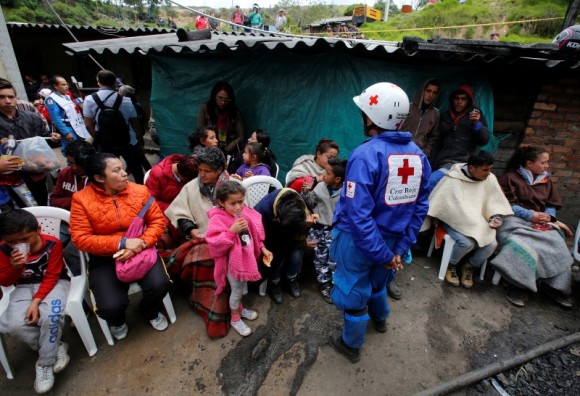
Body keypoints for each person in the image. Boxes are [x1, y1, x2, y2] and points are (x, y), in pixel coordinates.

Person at [328, 82, 430, 363]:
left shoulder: (365, 155)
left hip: (360, 243)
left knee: (353, 288)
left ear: (372, 117)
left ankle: (351, 344)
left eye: (364, 111)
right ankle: (381, 320)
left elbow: (358, 216)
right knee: (378, 283)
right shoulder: (419, 157)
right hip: (394, 241)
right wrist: (398, 250)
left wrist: (383, 254)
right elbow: (420, 208)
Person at [70, 153, 170, 340]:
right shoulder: (81, 200)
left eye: (123, 168)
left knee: (159, 284)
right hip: (106, 257)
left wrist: (138, 245)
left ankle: (149, 311)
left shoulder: (139, 191)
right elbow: (81, 239)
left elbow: (158, 221)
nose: (125, 174)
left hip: (141, 249)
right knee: (110, 305)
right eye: (117, 170)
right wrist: (121, 243)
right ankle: (117, 321)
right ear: (99, 178)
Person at [491, 145, 574, 308]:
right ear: (529, 163)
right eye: (543, 163)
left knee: (558, 243)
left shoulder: (546, 181)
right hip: (513, 221)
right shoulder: (509, 178)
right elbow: (506, 204)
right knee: (521, 245)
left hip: (540, 221)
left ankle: (555, 287)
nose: (547, 166)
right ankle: (515, 284)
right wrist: (530, 215)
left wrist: (549, 216)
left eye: (547, 163)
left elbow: (551, 204)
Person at [164, 147, 233, 337]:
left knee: (211, 257)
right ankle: (202, 299)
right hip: (200, 237)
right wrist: (191, 230)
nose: (201, 175)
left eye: (207, 171)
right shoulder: (191, 187)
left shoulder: (233, 186)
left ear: (219, 170)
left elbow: (244, 217)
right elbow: (179, 211)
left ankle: (213, 307)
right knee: (202, 256)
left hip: (228, 241)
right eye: (200, 170)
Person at [0, 209, 70, 394]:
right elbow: (5, 281)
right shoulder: (3, 249)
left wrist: (36, 301)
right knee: (10, 324)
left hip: (54, 282)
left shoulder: (52, 244)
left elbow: (54, 274)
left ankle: (45, 362)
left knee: (51, 315)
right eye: (11, 242)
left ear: (38, 229)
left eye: (24, 239)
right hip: (22, 285)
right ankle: (55, 346)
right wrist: (15, 267)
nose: (18, 245)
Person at [424, 151, 513, 288]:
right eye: (485, 170)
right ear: (471, 168)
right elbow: (445, 207)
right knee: (466, 243)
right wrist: (469, 220)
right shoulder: (452, 179)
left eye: (490, 169)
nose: (488, 173)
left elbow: (494, 203)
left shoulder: (489, 179)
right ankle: (451, 265)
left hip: (479, 222)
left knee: (491, 244)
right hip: (453, 221)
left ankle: (469, 266)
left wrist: (495, 217)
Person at [206, 182, 272, 336]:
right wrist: (231, 231)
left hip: (246, 259)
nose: (238, 207)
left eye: (240, 201)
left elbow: (254, 235)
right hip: (231, 265)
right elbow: (215, 244)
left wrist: (263, 248)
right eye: (232, 203)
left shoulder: (244, 213)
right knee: (236, 291)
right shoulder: (218, 219)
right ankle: (235, 318)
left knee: (241, 289)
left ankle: (240, 310)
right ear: (221, 202)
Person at [0, 79, 60, 206]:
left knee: (42, 204)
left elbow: (44, 138)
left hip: (36, 172)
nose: (7, 101)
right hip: (9, 178)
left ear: (16, 98)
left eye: (11, 97)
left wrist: (53, 137)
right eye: (2, 97)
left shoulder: (31, 117)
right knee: (22, 211)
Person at [83, 70, 145, 184]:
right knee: (136, 167)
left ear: (98, 82)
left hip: (105, 143)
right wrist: (140, 142)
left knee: (106, 169)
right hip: (128, 141)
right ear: (114, 83)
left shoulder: (89, 100)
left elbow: (88, 124)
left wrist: (98, 139)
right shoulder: (125, 100)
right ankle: (141, 188)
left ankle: (111, 191)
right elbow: (135, 124)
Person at [255, 188, 315, 304]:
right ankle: (275, 283)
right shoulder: (263, 209)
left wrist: (307, 227)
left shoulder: (300, 204)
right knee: (275, 259)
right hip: (270, 237)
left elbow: (307, 222)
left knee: (296, 257)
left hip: (295, 235)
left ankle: (291, 279)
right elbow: (258, 234)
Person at [428, 84, 489, 191]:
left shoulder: (474, 116)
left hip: (463, 163)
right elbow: (437, 143)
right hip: (444, 162)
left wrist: (476, 124)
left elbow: (484, 140)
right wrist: (431, 165)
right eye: (457, 98)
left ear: (469, 101)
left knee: (433, 183)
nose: (459, 102)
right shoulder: (445, 116)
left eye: (463, 99)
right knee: (431, 184)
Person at [302, 157, 347, 303]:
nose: (323, 174)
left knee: (335, 259)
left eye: (327, 173)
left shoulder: (347, 192)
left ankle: (336, 283)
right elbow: (311, 203)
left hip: (335, 231)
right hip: (318, 229)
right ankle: (324, 283)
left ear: (338, 179)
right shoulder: (320, 187)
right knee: (320, 258)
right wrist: (305, 193)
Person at [44, 75, 90, 154]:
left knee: (82, 151)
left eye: (66, 84)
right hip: (68, 128)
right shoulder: (51, 99)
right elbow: (56, 119)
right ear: (55, 86)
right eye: (63, 85)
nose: (67, 86)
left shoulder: (67, 96)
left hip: (78, 126)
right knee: (72, 153)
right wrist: (66, 133)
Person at [197, 81, 244, 156]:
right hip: (209, 150)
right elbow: (200, 131)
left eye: (226, 99)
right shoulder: (206, 108)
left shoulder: (235, 112)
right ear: (214, 96)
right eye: (220, 98)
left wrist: (226, 150)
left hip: (229, 151)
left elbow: (240, 137)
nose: (222, 102)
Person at [401, 78, 441, 160]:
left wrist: (426, 153)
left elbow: (433, 137)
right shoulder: (407, 107)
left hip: (419, 154)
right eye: (428, 91)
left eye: (434, 93)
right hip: (400, 150)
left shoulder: (435, 113)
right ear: (422, 91)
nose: (431, 95)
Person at [118, 85, 152, 175]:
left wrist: (139, 139)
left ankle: (148, 174)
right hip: (137, 135)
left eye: (119, 92)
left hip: (135, 136)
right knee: (140, 157)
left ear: (123, 94)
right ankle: (149, 173)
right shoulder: (135, 104)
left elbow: (137, 124)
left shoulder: (130, 105)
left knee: (139, 158)